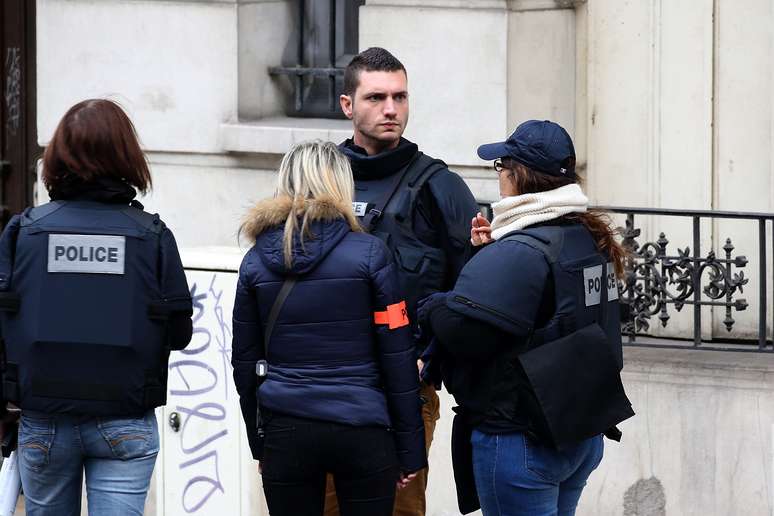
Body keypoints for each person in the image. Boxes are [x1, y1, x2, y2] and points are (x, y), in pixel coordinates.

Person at [417, 120, 634, 515]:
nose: (498, 173)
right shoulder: (586, 237)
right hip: (577, 434)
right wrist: (488, 255)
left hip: (521, 440)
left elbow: (467, 334)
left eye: (501, 164)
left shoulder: (521, 251)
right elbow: (539, 315)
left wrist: (431, 307)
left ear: (519, 174)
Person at [0, 98, 193, 515]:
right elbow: (180, 333)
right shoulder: (152, 235)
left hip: (43, 419)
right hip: (125, 418)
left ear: (55, 157)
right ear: (127, 156)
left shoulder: (24, 231)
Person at [231, 140, 426, 516]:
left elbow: (244, 364)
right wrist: (409, 450)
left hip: (286, 430)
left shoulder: (255, 263)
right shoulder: (371, 254)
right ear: (340, 185)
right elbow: (398, 358)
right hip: (363, 429)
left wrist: (261, 444)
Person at [330, 46, 479, 516]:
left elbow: (470, 291)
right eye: (376, 97)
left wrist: (427, 359)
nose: (391, 109)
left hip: (402, 390)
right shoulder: (319, 178)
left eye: (400, 96)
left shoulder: (440, 186)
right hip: (322, 389)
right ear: (348, 105)